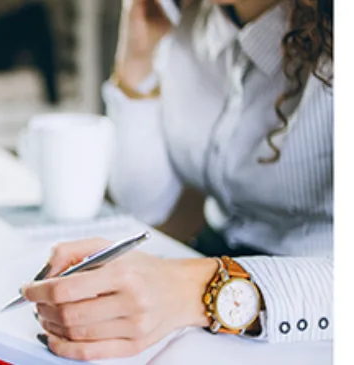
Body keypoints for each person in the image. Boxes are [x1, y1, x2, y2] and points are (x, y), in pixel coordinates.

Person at [21, 0, 333, 360]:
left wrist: (192, 289)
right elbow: (145, 203)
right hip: (210, 273)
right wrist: (137, 60)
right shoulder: (186, 18)